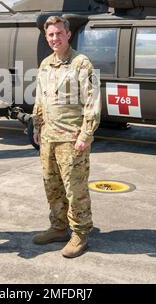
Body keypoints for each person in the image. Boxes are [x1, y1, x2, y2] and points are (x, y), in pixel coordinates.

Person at [32, 15, 101, 258]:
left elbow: (92, 103)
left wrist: (85, 134)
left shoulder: (81, 64)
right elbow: (40, 99)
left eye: (59, 33)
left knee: (75, 188)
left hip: (72, 139)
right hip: (49, 138)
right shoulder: (45, 64)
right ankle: (59, 227)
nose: (54, 38)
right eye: (50, 34)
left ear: (68, 35)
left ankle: (80, 233)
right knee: (52, 186)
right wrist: (37, 127)